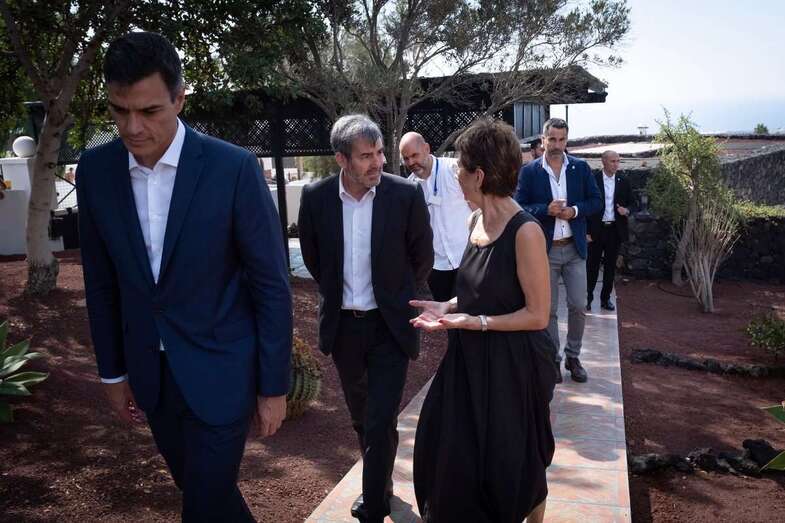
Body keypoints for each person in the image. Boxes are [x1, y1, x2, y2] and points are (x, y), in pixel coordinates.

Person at [77, 32, 292, 522]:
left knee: (202, 504)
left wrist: (273, 386)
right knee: (210, 497)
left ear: (179, 98)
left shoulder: (232, 167)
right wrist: (113, 371)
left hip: (223, 370)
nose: (132, 127)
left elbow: (270, 284)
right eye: (118, 110)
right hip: (152, 379)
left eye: (149, 111)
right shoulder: (95, 170)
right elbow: (101, 282)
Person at [410, 118, 557, 523]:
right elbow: (483, 291)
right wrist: (449, 306)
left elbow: (537, 314)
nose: (454, 172)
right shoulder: (473, 221)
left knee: (512, 465)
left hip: (512, 368)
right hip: (466, 362)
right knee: (445, 453)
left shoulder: (526, 232)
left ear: (478, 175)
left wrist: (475, 323)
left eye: (459, 165)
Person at [298, 114, 433, 523]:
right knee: (362, 417)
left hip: (389, 327)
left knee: (380, 418)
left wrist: (397, 296)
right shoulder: (316, 198)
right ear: (342, 159)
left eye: (378, 153)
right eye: (365, 156)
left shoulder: (404, 195)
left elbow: (421, 257)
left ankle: (373, 504)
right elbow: (314, 260)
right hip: (344, 328)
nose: (377, 163)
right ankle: (384, 482)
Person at [514, 118, 601, 383]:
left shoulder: (580, 168)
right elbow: (519, 206)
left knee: (578, 305)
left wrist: (574, 211)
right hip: (545, 251)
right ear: (543, 139)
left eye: (562, 139)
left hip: (574, 249)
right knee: (548, 310)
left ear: (567, 140)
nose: (557, 145)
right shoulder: (529, 172)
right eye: (552, 139)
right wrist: (545, 210)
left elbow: (596, 201)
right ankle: (553, 360)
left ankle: (573, 356)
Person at [399, 131, 472, 301]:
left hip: (467, 259)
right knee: (448, 320)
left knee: (472, 314)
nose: (411, 162)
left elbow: (478, 210)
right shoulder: (410, 188)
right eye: (406, 158)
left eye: (414, 155)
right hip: (437, 268)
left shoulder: (455, 169)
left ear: (426, 148)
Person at [586, 150, 632, 311]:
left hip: (614, 230)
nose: (616, 164)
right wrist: (586, 232)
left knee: (610, 267)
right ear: (603, 161)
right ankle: (588, 298)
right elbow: (586, 206)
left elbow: (633, 204)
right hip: (596, 230)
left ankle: (605, 299)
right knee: (591, 266)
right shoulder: (592, 180)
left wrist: (626, 211)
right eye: (613, 161)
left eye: (618, 161)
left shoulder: (624, 181)